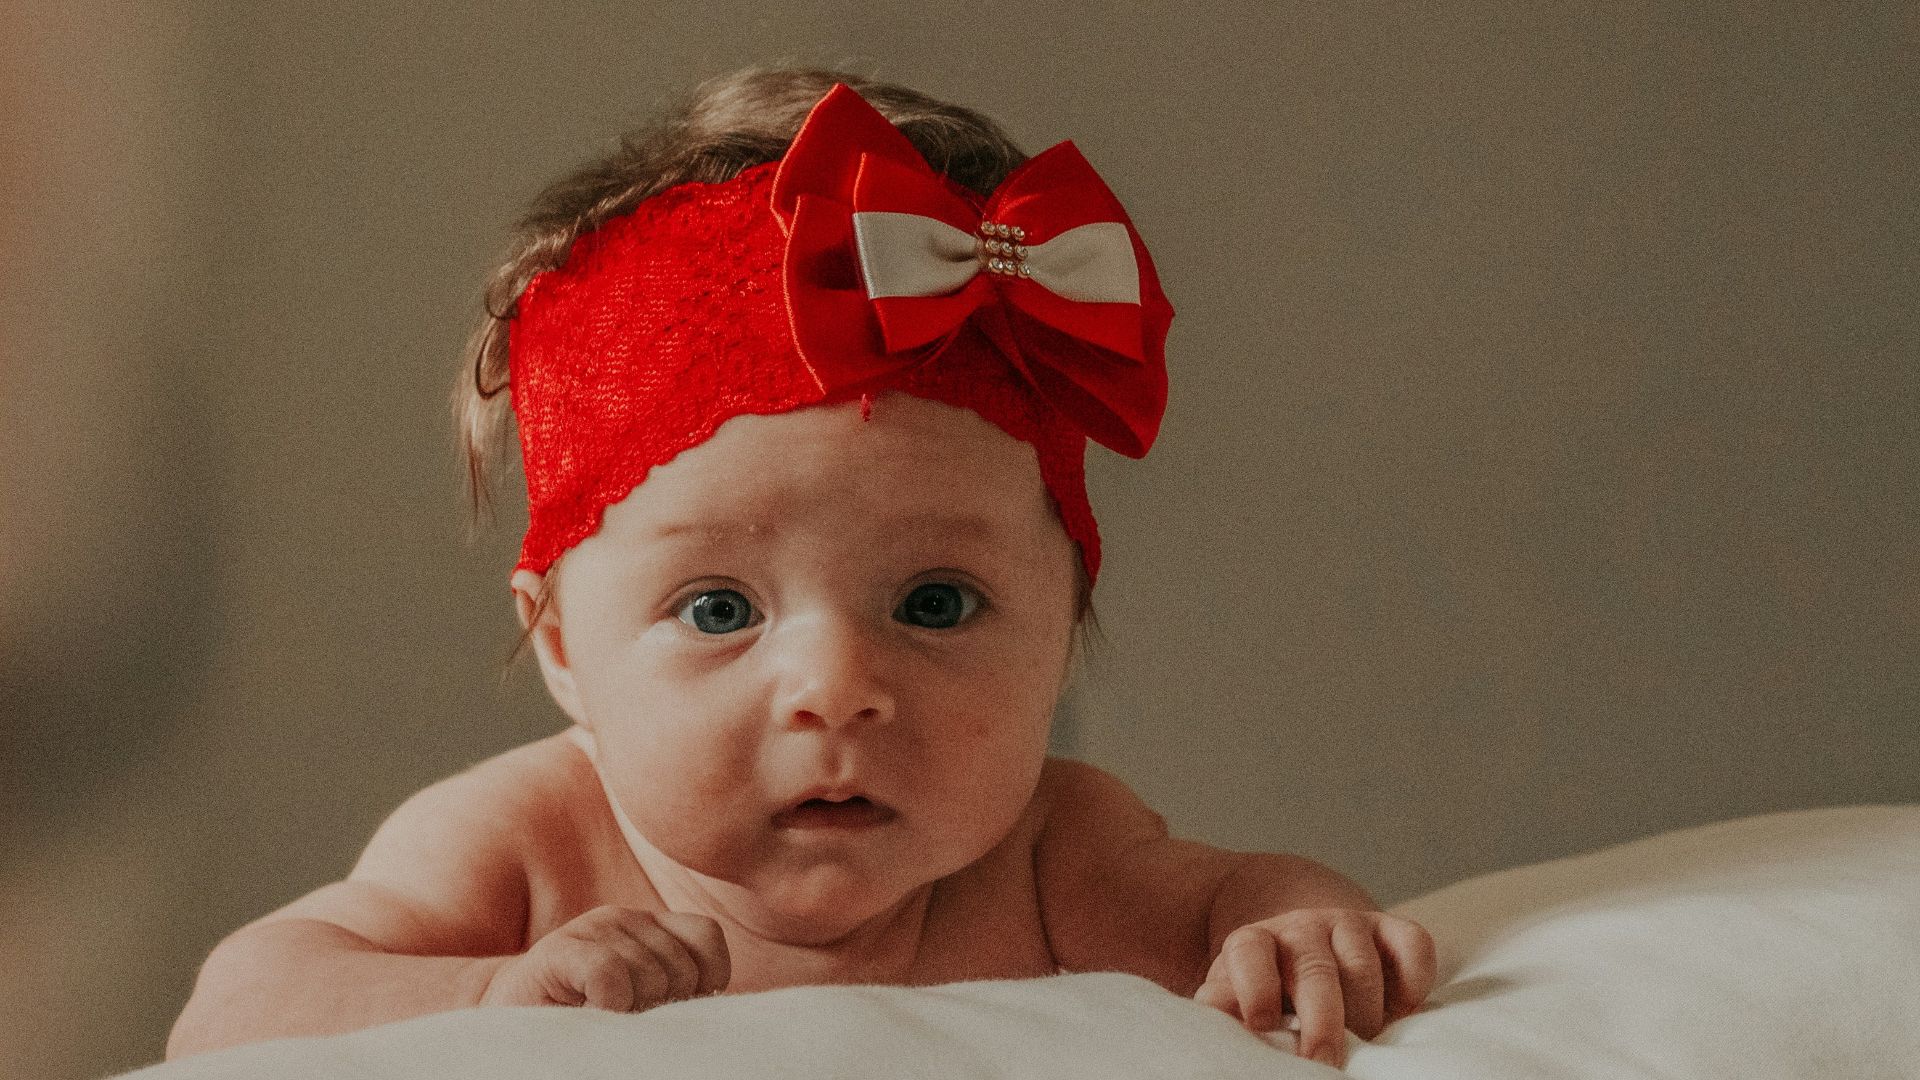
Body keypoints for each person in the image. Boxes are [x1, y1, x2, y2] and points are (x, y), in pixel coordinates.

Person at [167, 66, 1435, 1069]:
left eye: (935, 603)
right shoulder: (527, 850)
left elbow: (1242, 902)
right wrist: (496, 993)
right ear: (563, 648)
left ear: (1061, 629)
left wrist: (1296, 926)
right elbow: (234, 1012)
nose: (837, 686)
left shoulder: (1056, 856)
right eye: (719, 608)